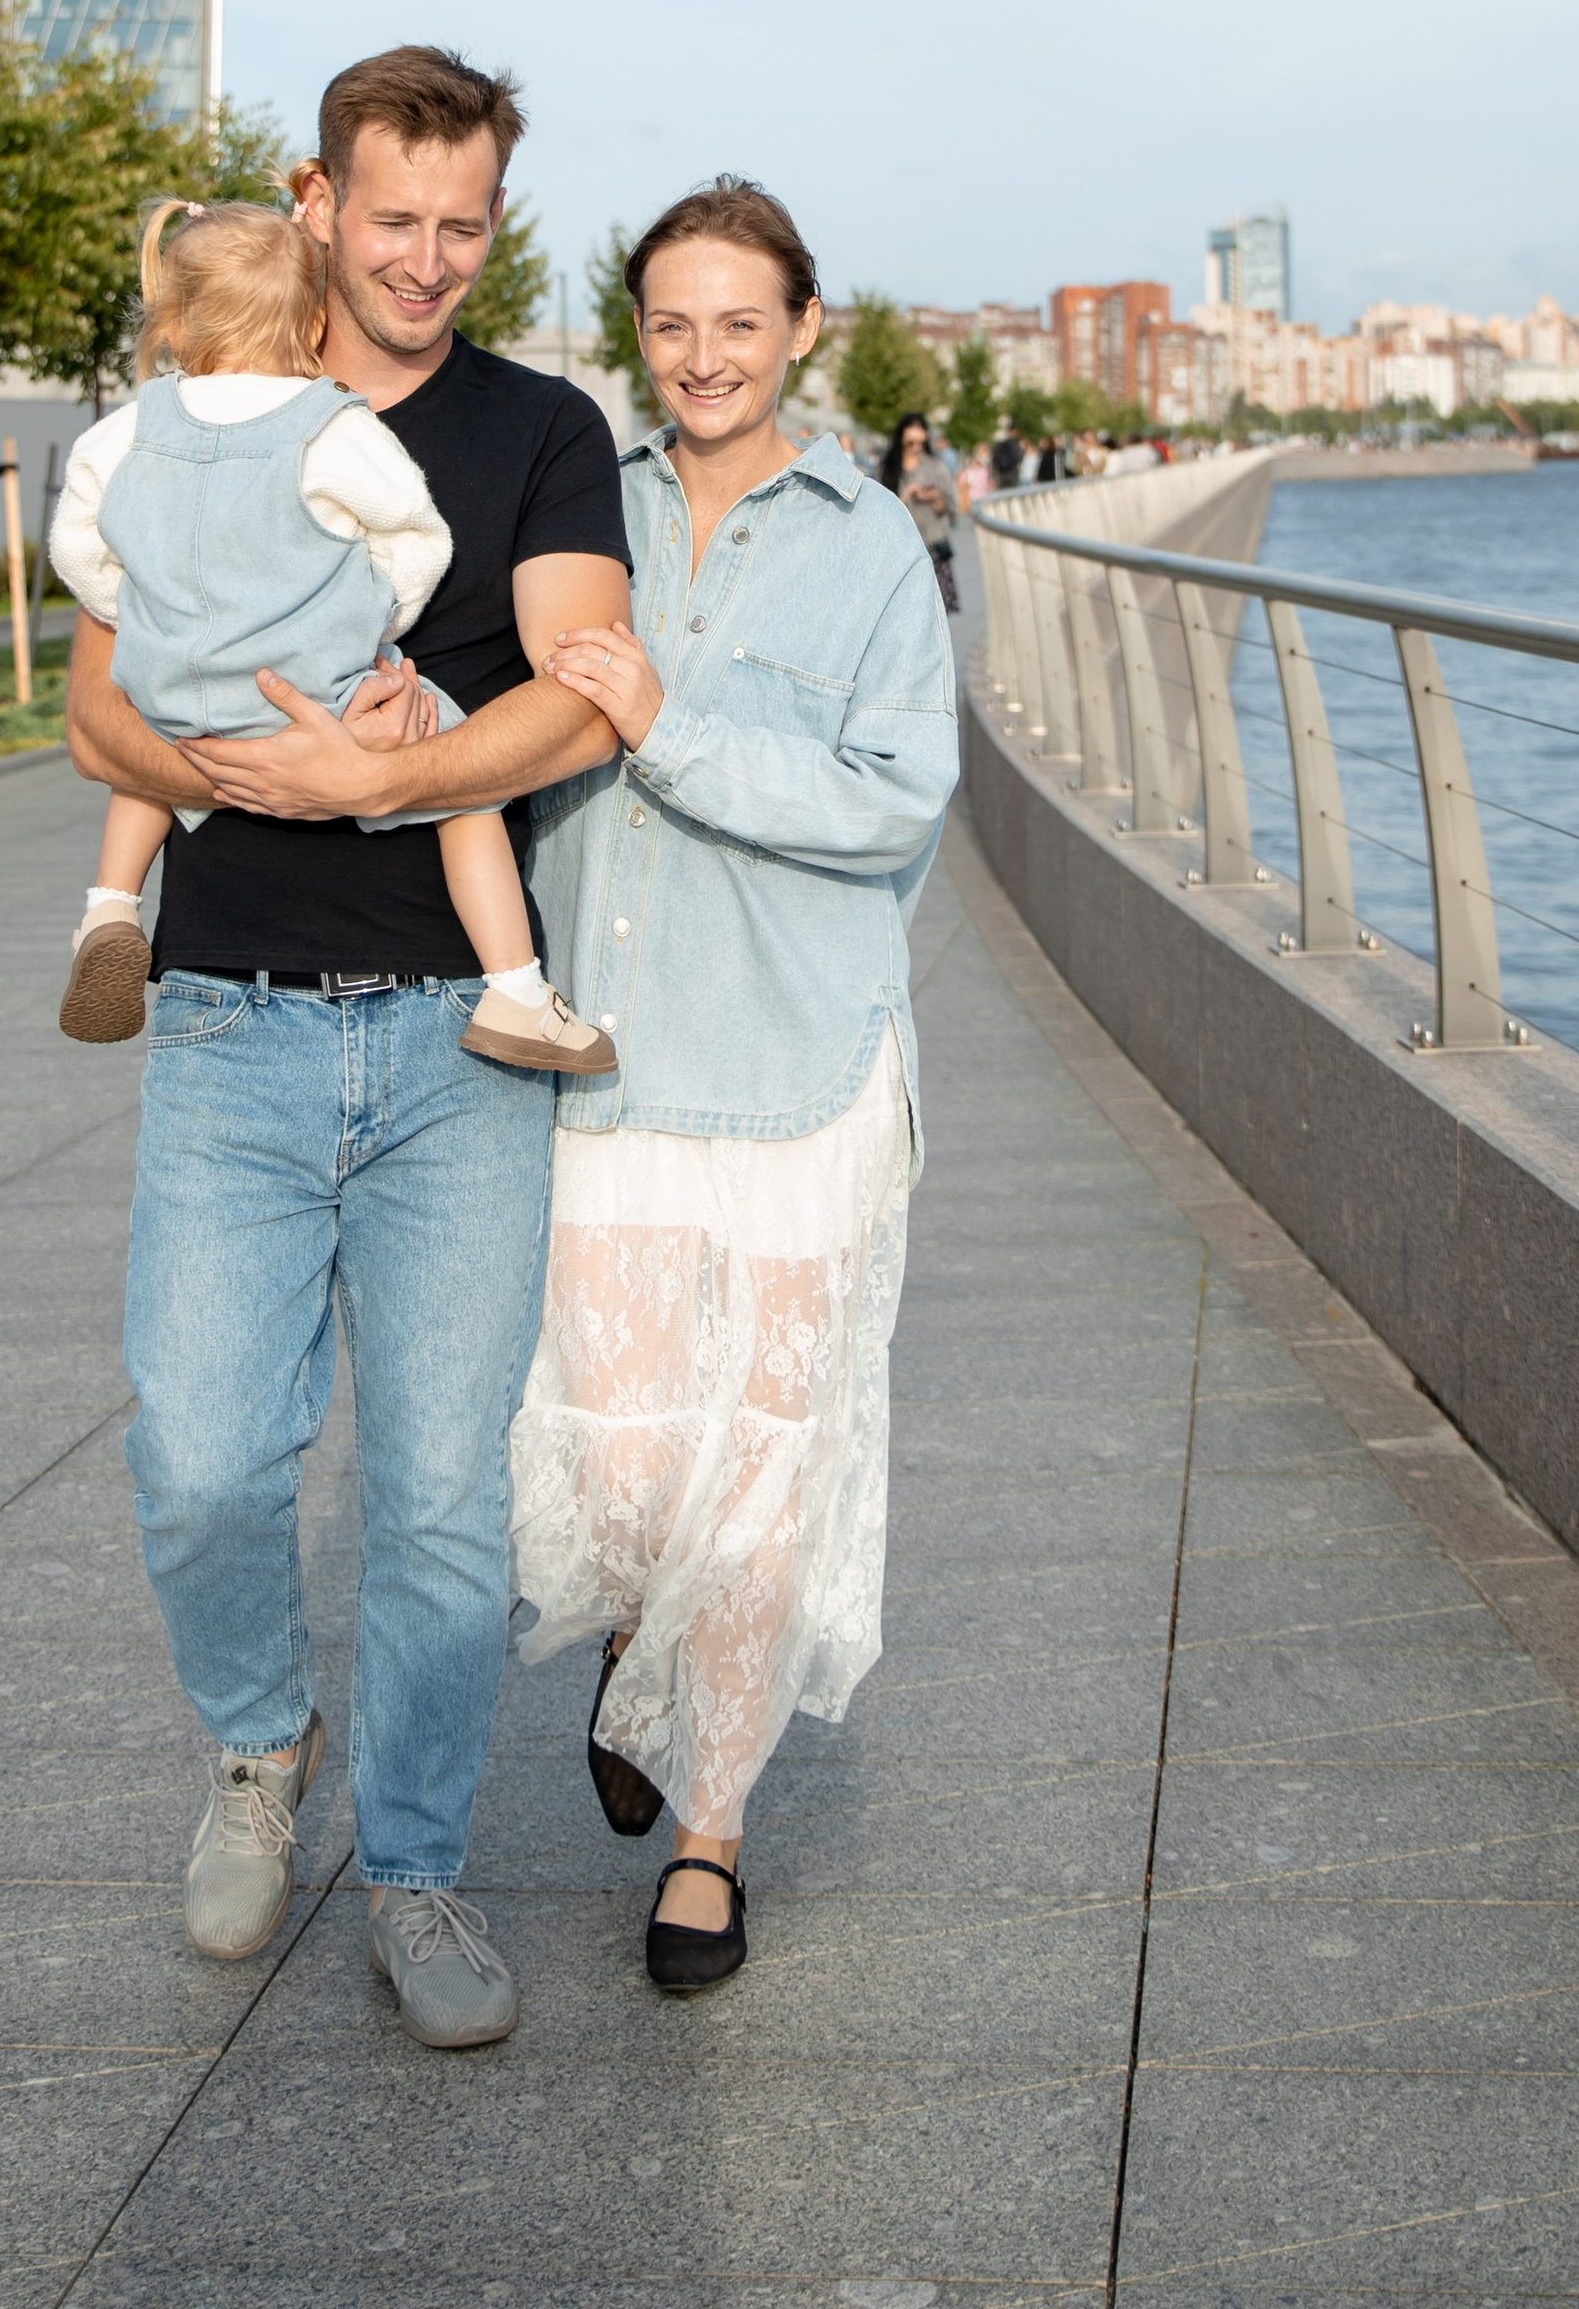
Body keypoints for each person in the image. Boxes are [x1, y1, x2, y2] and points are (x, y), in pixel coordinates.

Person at [63, 46, 631, 2050]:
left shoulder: (539, 432)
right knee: (201, 1455)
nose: (425, 259)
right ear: (315, 200)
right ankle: (253, 1743)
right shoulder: (196, 407)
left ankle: (412, 1866)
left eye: (462, 223)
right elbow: (96, 717)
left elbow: (572, 699)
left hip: (460, 1048)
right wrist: (306, 784)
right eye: (390, 218)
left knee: (437, 1505)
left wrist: (362, 778)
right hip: (227, 1025)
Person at [509, 180, 960, 1992]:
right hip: (611, 1056)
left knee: (767, 1469)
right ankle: (642, 1642)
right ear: (641, 337)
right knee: (623, 1463)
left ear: (799, 333)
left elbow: (890, 798)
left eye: (740, 324)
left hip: (804, 1061)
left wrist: (670, 725)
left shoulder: (868, 545)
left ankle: (712, 1841)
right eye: (673, 325)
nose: (704, 358)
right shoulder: (577, 505)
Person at [46, 194, 610, 1076]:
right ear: (313, 318)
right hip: (316, 686)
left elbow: (79, 545)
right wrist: (374, 620)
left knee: (151, 754)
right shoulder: (328, 422)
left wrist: (141, 607)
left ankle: (111, 907)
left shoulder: (128, 430)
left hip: (175, 674)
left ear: (173, 321)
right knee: (462, 788)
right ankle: (516, 991)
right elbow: (418, 536)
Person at [877, 407, 959, 614]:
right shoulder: (886, 468)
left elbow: (949, 509)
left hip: (933, 548)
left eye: (921, 443)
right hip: (899, 550)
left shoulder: (935, 467)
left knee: (938, 616)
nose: (916, 447)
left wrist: (935, 497)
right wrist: (903, 498)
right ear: (901, 440)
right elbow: (877, 508)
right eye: (910, 443)